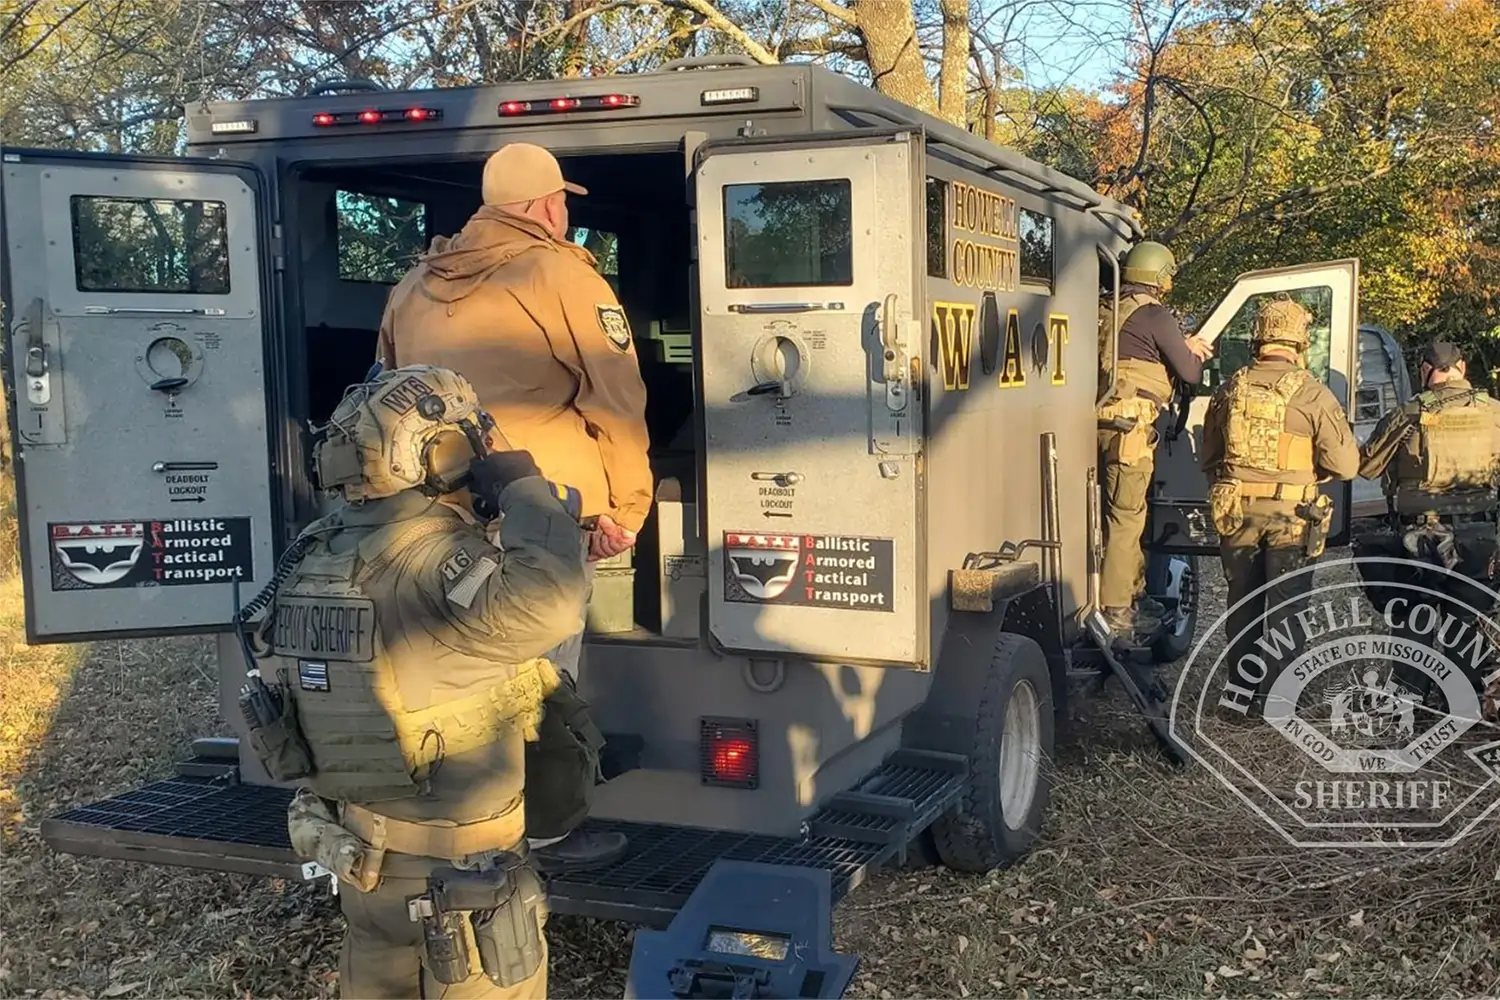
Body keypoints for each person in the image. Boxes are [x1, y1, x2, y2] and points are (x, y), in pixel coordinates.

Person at [244, 365, 588, 999]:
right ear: (443, 452)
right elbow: (553, 602)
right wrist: (525, 490)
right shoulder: (434, 560)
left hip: (364, 866)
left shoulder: (316, 554)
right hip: (463, 881)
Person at [375, 140, 649, 871]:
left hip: (438, 519)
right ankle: (544, 832)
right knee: (542, 671)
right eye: (562, 202)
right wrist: (630, 503)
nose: (566, 215)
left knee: (459, 668)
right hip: (541, 510)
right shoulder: (560, 274)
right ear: (539, 207)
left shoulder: (413, 285)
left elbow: (384, 394)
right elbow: (616, 395)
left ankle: (459, 823)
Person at [1201, 298, 1360, 716]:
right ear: (1299, 341)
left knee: (1243, 602)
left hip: (1237, 512)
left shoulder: (1229, 388)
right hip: (1291, 516)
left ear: (1259, 337)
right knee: (1287, 607)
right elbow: (1346, 465)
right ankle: (1280, 700)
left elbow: (1209, 457)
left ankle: (1238, 695)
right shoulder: (1311, 392)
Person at [1353, 339, 1500, 690]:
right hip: (1479, 533)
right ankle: (1461, 707)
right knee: (1465, 619)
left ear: (1424, 371)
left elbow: (1368, 467)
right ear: (1462, 368)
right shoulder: (1494, 412)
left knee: (1413, 618)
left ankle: (1410, 702)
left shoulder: (1410, 413)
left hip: (1420, 536)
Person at [1096, 239, 1215, 641]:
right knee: (1127, 519)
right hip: (1131, 430)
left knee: (1110, 515)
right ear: (1159, 277)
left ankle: (1132, 594)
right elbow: (1190, 373)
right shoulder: (1154, 314)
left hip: (1098, 424)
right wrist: (1190, 350)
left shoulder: (1104, 310)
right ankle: (1118, 612)